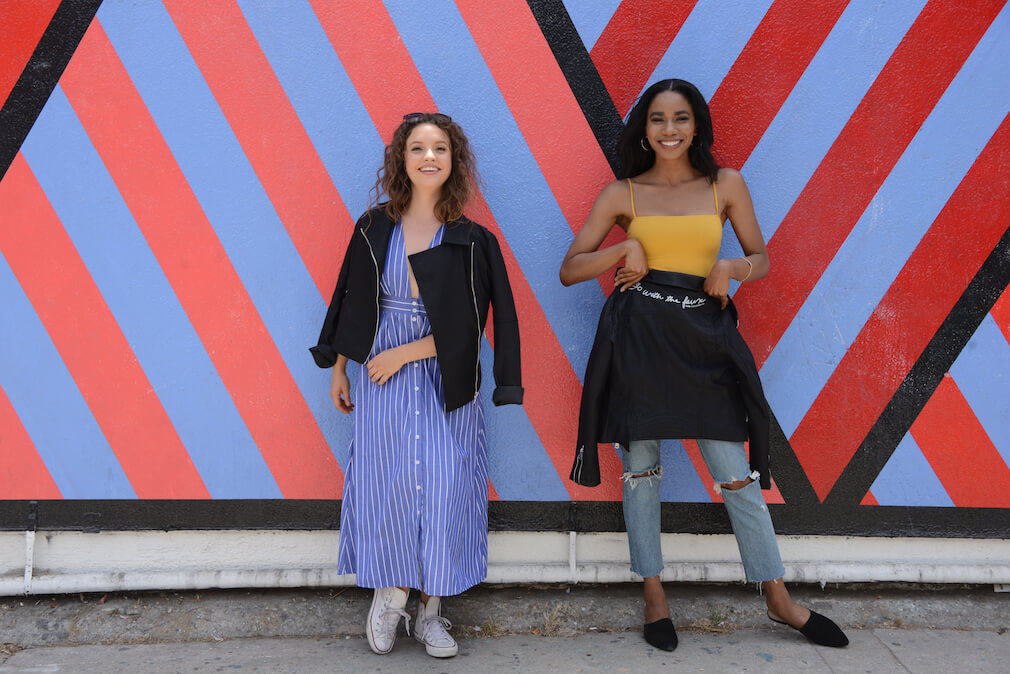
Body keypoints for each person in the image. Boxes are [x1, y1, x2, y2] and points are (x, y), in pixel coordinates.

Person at [559, 79, 847, 652]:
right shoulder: (623, 194)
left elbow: (761, 257)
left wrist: (734, 268)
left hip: (705, 341)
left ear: (697, 126)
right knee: (641, 473)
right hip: (638, 343)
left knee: (734, 472)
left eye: (681, 118)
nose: (669, 130)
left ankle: (777, 596)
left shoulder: (726, 184)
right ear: (644, 127)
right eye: (659, 119)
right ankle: (654, 594)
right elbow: (570, 268)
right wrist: (623, 249)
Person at [311, 112, 523, 658]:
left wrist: (407, 352)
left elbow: (470, 327)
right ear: (401, 160)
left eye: (440, 149)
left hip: (444, 377)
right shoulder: (374, 227)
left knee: (446, 490)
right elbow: (350, 298)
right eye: (417, 148)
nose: (429, 157)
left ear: (454, 162)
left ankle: (430, 612)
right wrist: (339, 365)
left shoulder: (471, 240)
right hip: (381, 377)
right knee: (393, 489)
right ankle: (389, 596)